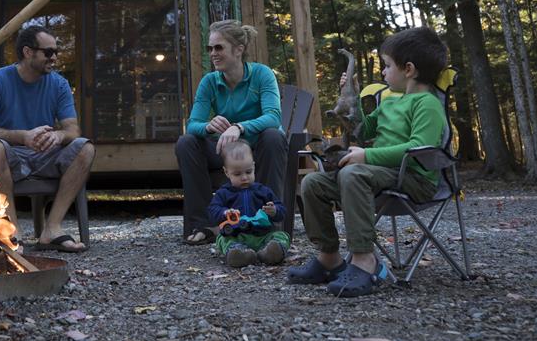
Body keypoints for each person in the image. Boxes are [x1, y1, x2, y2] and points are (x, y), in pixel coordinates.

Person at [287, 26, 448, 297]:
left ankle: (365, 260)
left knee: (354, 173)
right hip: (378, 175)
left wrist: (366, 155)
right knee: (313, 181)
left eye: (387, 66)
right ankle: (330, 259)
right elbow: (363, 131)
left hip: (414, 179)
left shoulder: (426, 104)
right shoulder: (389, 102)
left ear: (408, 69)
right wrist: (353, 99)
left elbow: (418, 147)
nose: (383, 72)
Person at [0, 25, 95, 253]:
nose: (54, 58)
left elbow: (73, 130)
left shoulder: (59, 84)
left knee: (85, 148)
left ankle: (52, 229)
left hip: (45, 155)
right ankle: (12, 232)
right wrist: (23, 136)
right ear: (27, 52)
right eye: (48, 52)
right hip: (9, 156)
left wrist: (58, 135)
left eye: (56, 52)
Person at [176, 20, 286, 245]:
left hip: (257, 150)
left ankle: (269, 224)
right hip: (225, 151)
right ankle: (204, 225)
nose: (213, 54)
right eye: (210, 48)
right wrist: (208, 126)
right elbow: (193, 123)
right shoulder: (209, 82)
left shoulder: (262, 75)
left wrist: (239, 126)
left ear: (238, 49)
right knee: (186, 142)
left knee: (274, 135)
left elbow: (274, 117)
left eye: (219, 47)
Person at [208, 140, 291, 267]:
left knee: (281, 235)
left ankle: (271, 252)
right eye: (237, 174)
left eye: (248, 172)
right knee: (222, 239)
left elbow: (281, 209)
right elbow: (212, 210)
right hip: (236, 236)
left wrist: (274, 210)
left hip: (263, 235)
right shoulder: (224, 193)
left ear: (254, 167)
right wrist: (225, 213)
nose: (244, 177)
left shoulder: (263, 191)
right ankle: (240, 254)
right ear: (226, 172)